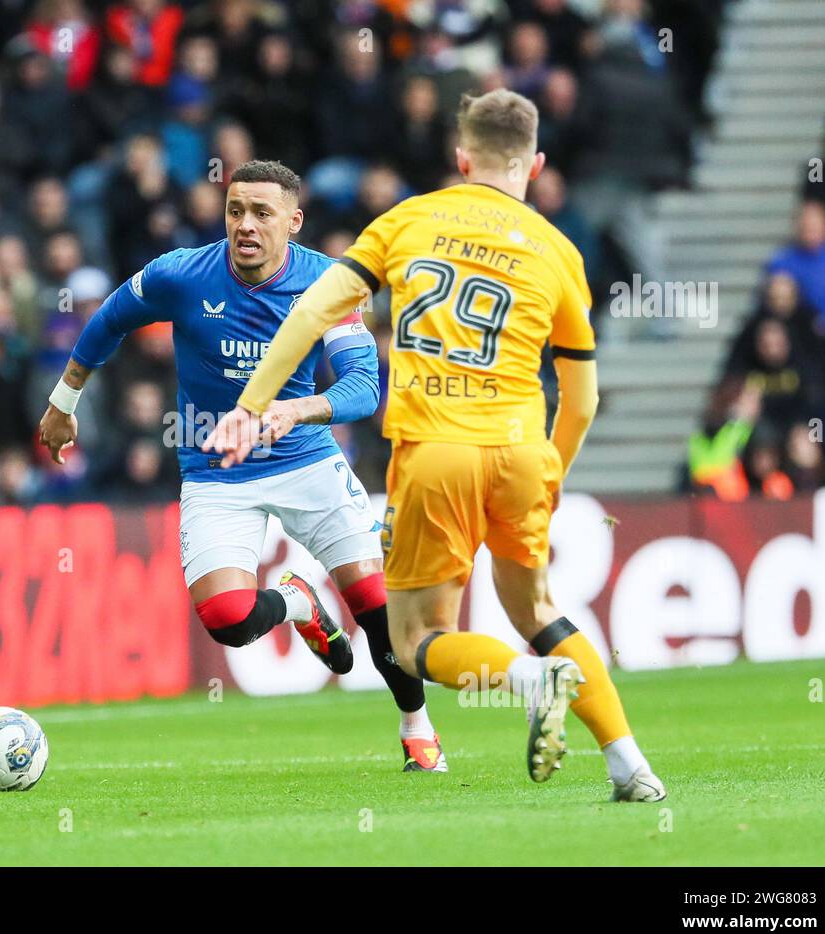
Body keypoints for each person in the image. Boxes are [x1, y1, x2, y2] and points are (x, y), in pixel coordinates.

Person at [206, 92, 665, 802]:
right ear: (536, 164)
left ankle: (526, 680)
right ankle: (630, 765)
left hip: (437, 452)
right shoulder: (558, 250)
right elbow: (584, 398)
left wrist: (250, 405)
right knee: (537, 608)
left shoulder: (408, 219)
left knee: (418, 638)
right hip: (522, 451)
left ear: (460, 158)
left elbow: (314, 311)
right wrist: (552, 474)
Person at [38, 160, 446, 773]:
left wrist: (299, 411)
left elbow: (365, 386)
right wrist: (63, 400)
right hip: (216, 471)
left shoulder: (329, 283)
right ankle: (297, 604)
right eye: (235, 211)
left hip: (305, 460)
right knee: (228, 620)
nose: (245, 225)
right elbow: (109, 319)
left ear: (294, 220)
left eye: (261, 213)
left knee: (370, 597)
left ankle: (417, 724)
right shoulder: (181, 273)